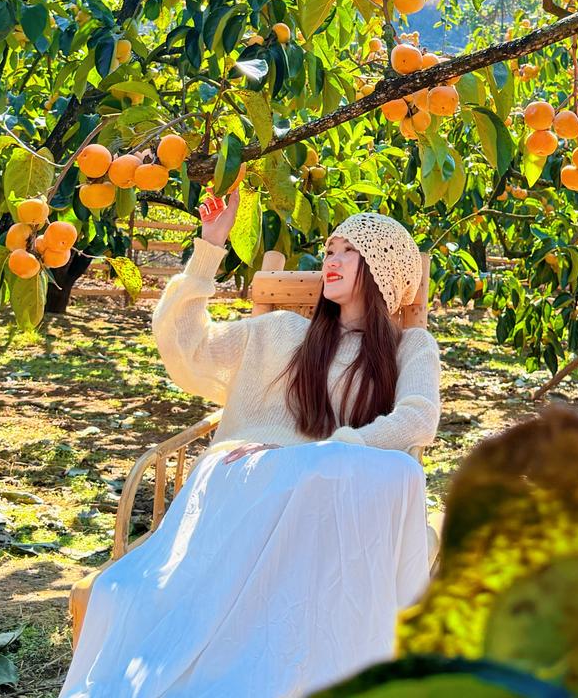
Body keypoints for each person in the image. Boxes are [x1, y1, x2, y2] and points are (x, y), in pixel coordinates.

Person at [59, 188, 442, 698]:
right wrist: (208, 249)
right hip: (251, 476)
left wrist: (334, 450)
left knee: (397, 472)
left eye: (350, 250)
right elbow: (188, 349)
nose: (332, 259)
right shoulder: (279, 334)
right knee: (348, 474)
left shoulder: (409, 347)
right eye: (330, 249)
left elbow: (418, 419)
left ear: (382, 269)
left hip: (328, 486)